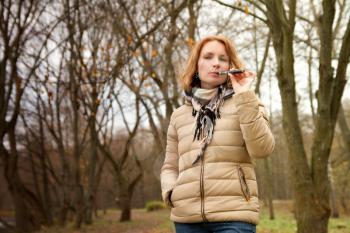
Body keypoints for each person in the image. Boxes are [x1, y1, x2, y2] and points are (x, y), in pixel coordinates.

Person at [160, 35, 275, 233]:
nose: (216, 63)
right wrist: (171, 193)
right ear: (196, 65)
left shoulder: (247, 102)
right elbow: (170, 166)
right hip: (187, 219)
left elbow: (262, 149)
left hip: (234, 216)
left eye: (223, 58)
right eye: (208, 57)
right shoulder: (179, 116)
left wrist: (244, 95)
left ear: (231, 65)